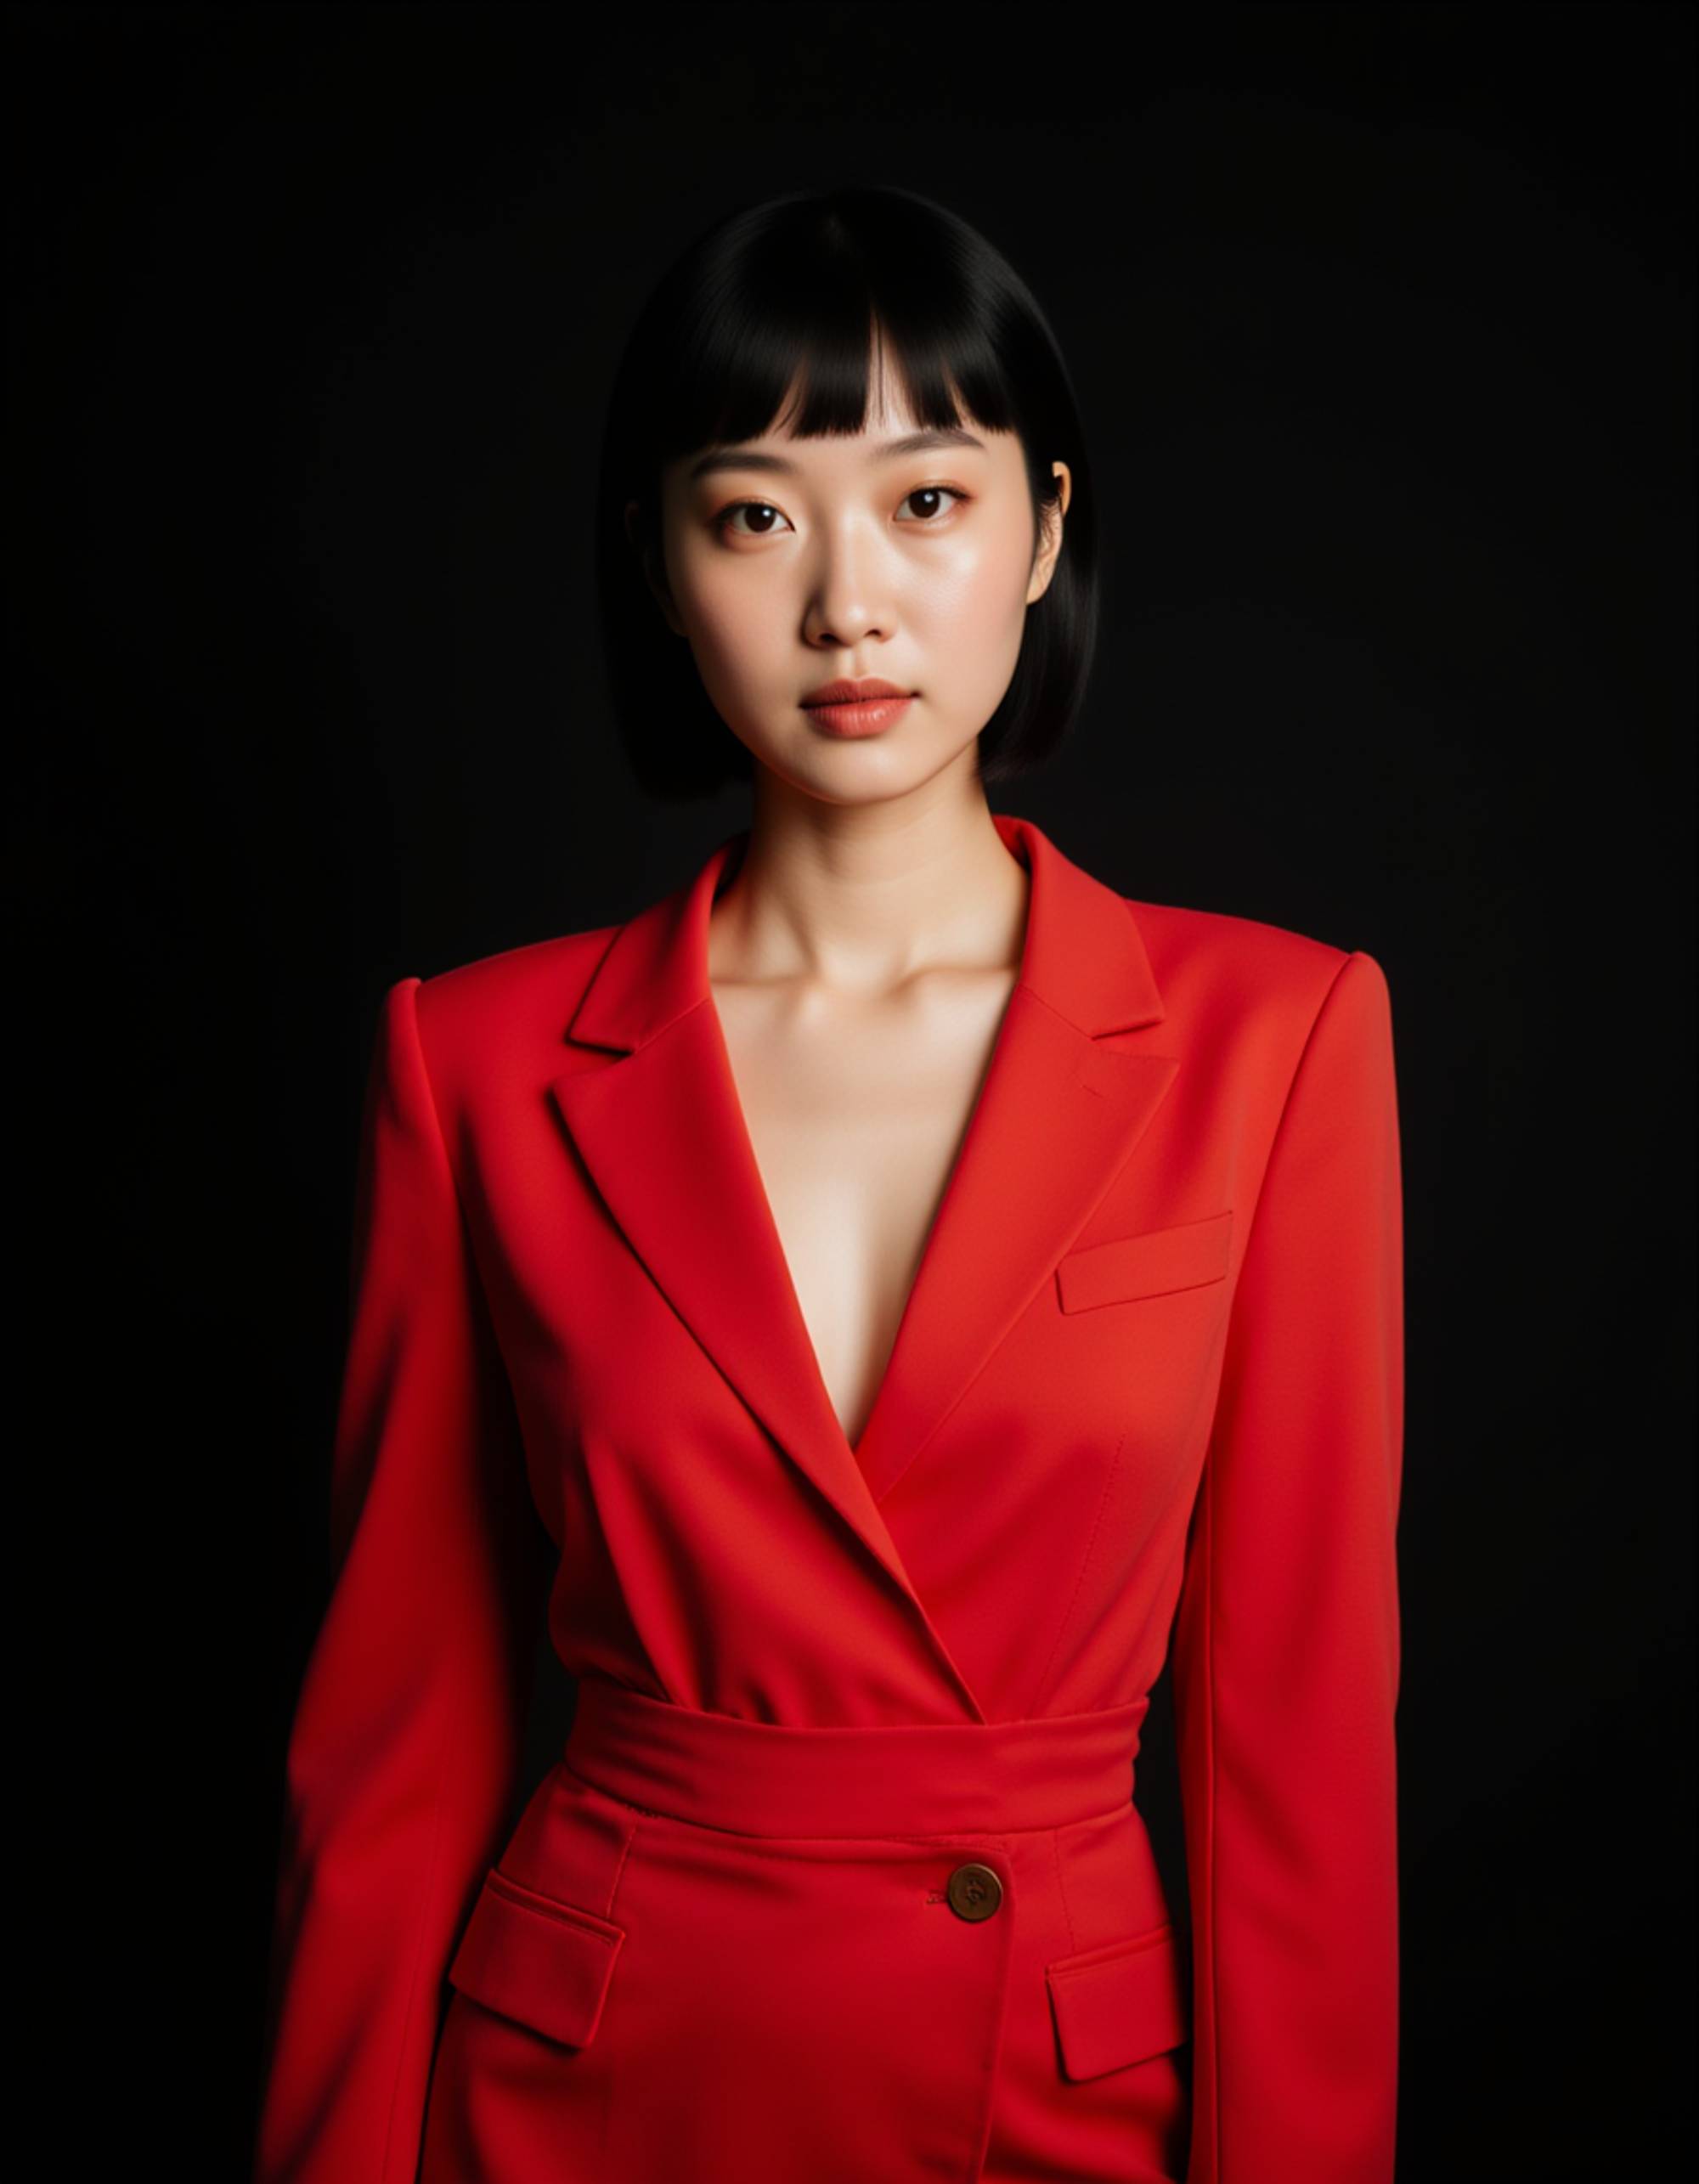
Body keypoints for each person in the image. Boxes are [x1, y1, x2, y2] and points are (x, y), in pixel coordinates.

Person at [250, 182, 1403, 2184]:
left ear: (1046, 526)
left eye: (927, 501)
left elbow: (1292, 1757)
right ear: (661, 564)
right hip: (579, 2097)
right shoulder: (480, 1060)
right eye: (755, 511)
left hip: (1060, 2105)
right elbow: (394, 1746)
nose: (846, 602)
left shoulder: (1274, 1037)